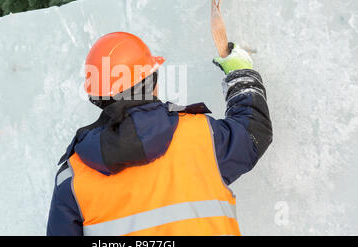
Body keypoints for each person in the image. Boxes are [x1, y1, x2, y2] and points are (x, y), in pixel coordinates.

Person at [47, 32, 272, 236]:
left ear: (97, 98)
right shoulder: (201, 137)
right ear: (152, 82)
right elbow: (253, 131)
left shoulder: (73, 177)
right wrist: (240, 74)